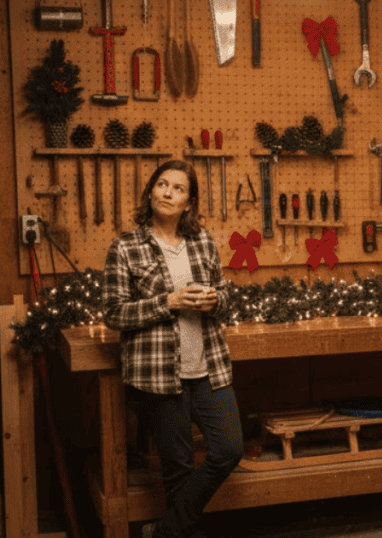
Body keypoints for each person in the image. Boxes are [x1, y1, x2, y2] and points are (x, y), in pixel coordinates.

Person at [102, 160, 243, 538]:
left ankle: (163, 533)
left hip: (208, 367)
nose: (168, 192)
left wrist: (215, 300)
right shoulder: (126, 247)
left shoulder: (202, 241)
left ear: (189, 202)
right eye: (162, 184)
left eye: (178, 188)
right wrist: (169, 302)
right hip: (160, 375)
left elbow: (225, 294)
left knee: (229, 449)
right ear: (150, 193)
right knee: (178, 467)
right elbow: (114, 314)